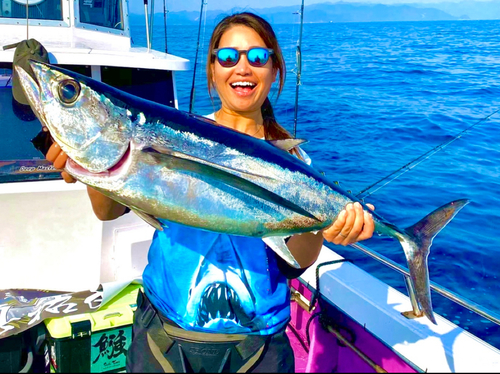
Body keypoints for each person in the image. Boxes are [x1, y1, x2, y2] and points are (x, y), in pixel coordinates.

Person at [45, 12, 374, 373]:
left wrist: (329, 226)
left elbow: (298, 261)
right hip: (165, 333)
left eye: (258, 57)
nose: (243, 67)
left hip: (258, 346)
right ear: (213, 71)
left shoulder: (293, 161)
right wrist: (86, 165)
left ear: (275, 70)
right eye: (229, 57)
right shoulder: (175, 134)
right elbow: (107, 212)